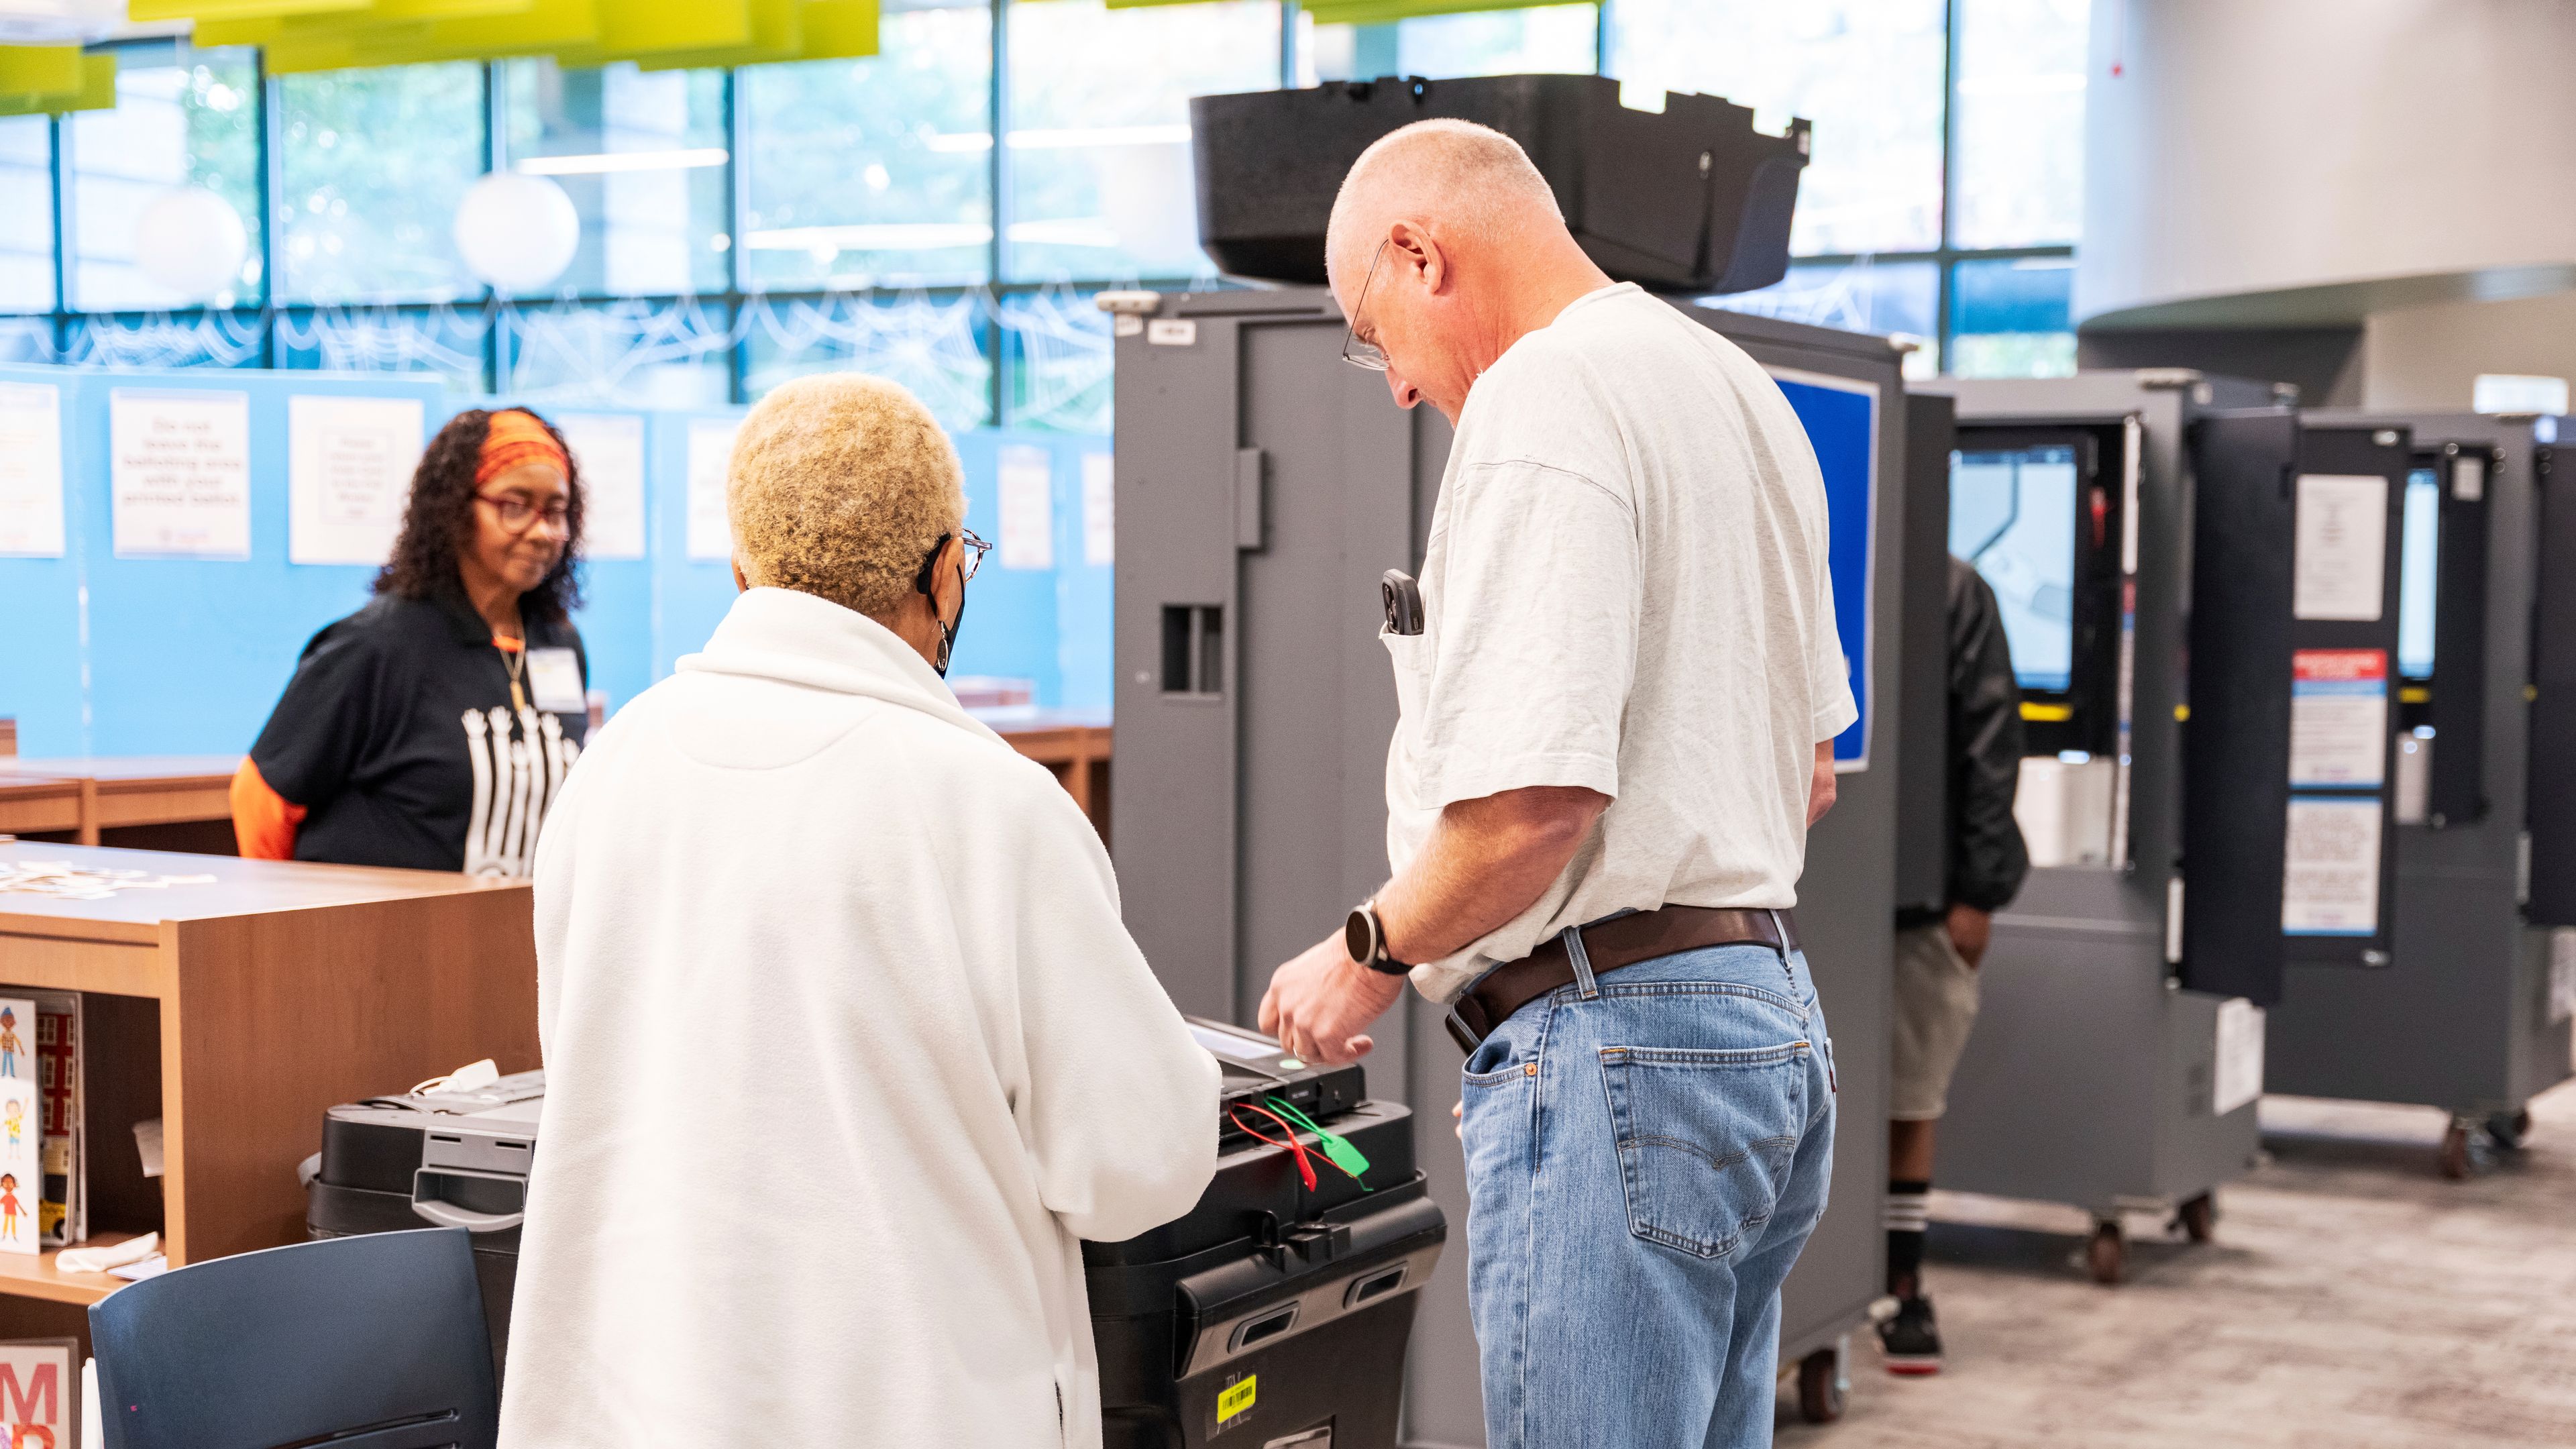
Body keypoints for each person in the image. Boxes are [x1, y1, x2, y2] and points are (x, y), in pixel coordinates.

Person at [1258, 120, 1853, 1449]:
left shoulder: (1546, 400)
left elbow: (1533, 805)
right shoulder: (1736, 390)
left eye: (1373, 332)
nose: (1396, 385)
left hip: (1616, 1057)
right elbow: (1805, 772)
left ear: (1424, 256)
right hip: (1764, 1036)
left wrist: (1365, 954)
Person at [498, 373, 1218, 1449]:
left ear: (743, 570)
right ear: (943, 575)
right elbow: (1130, 1164)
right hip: (911, 1404)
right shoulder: (991, 806)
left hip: (634, 1400)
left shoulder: (612, 774)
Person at [231, 409, 589, 875]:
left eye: (556, 511)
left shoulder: (559, 643)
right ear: (456, 511)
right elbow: (262, 797)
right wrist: (286, 922)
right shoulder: (376, 646)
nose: (543, 532)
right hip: (384, 940)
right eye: (515, 506)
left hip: (508, 938)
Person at [1878, 555, 2028, 1375]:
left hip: (1922, 898)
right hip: (1807, 895)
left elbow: (1991, 742)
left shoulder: (1951, 586)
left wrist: (1976, 889)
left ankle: (1903, 1284)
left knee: (1910, 1096)